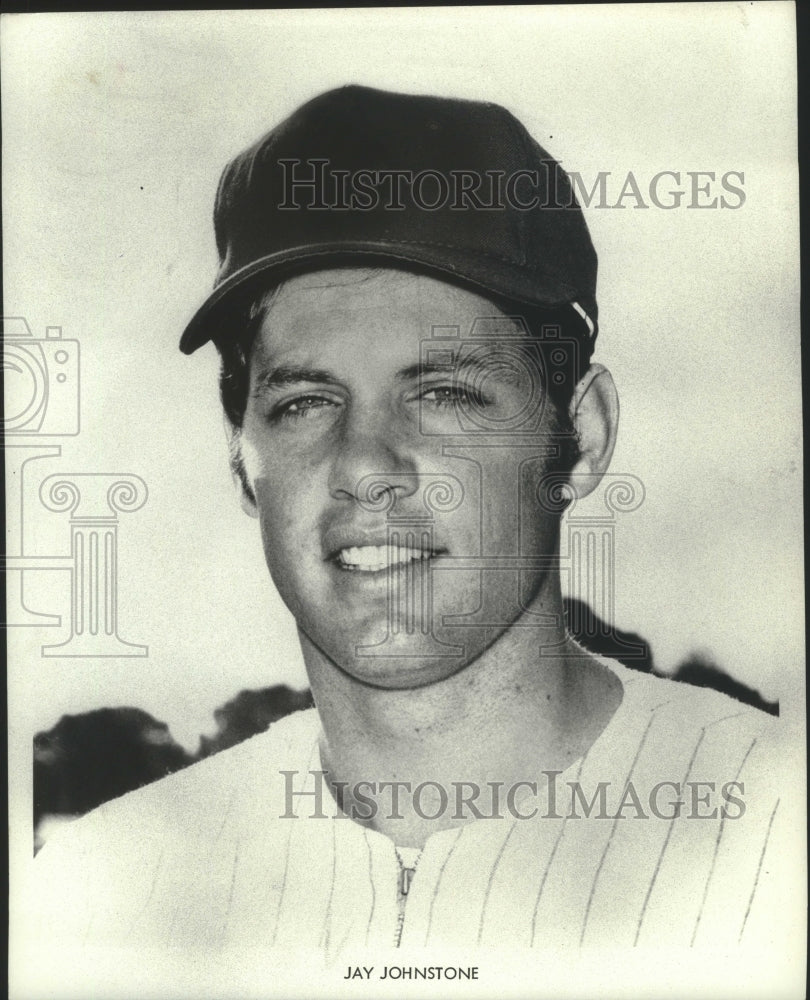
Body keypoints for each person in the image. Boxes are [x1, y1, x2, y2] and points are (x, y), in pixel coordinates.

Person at [19, 85, 788, 996]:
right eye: (305, 403)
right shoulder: (97, 891)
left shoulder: (778, 832)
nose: (366, 464)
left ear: (581, 439)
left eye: (445, 393)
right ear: (240, 461)